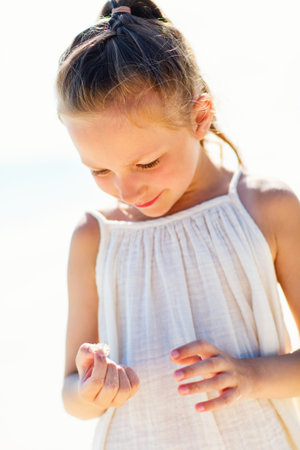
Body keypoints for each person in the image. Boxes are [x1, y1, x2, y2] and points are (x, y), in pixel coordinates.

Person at [56, 1, 300, 448]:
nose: (126, 191)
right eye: (99, 170)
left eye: (146, 162)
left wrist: (250, 375)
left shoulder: (266, 209)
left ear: (199, 117)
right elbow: (71, 391)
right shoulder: (96, 236)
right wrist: (92, 388)